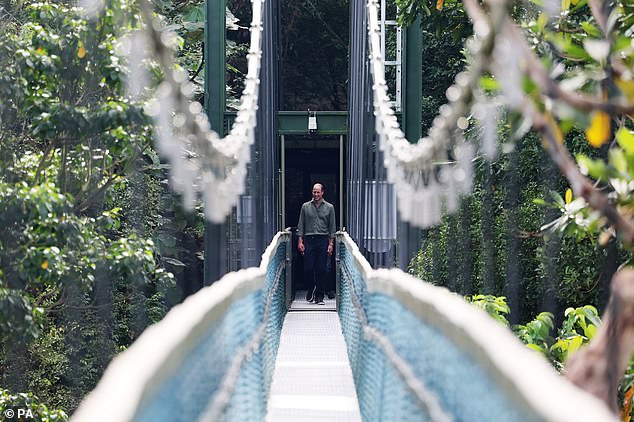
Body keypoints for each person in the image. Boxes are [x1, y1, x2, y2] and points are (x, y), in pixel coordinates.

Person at [297, 183, 336, 305]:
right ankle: (310, 288)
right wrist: (300, 241)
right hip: (309, 239)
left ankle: (319, 296)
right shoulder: (305, 207)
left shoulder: (329, 208)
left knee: (321, 268)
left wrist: (331, 244)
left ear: (322, 192)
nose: (316, 194)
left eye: (318, 192)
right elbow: (301, 224)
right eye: (314, 192)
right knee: (308, 268)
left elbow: (332, 227)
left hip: (323, 239)